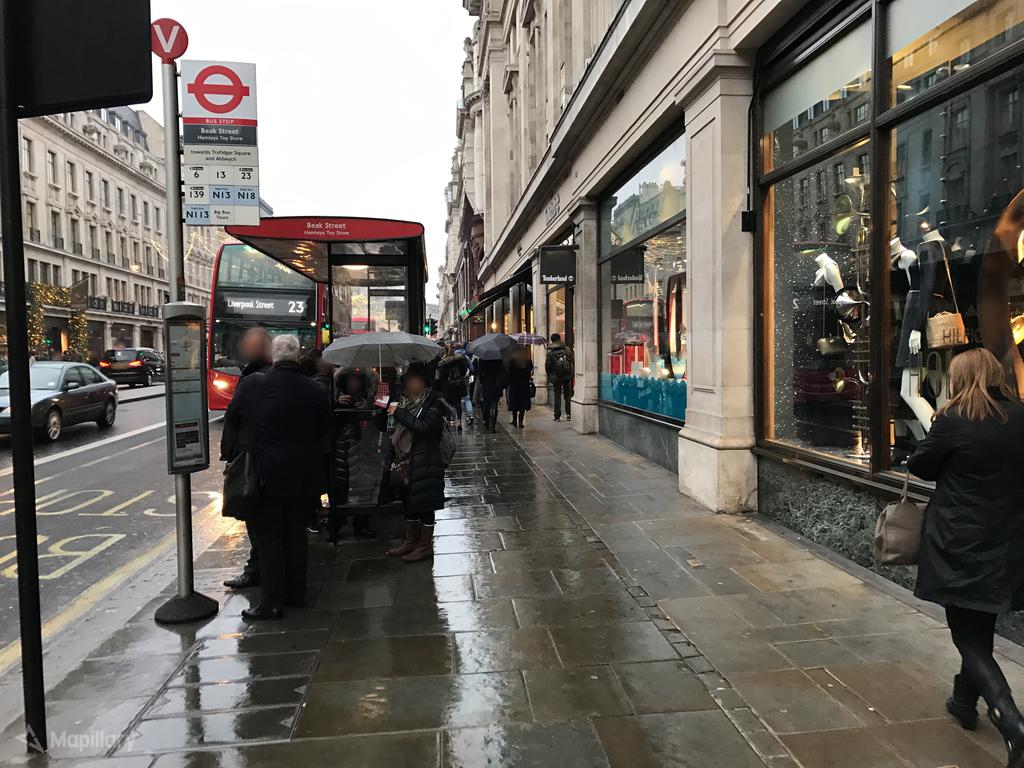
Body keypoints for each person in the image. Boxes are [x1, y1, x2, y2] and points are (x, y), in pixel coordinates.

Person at [908, 348, 1024, 766]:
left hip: (959, 539)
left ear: (959, 379)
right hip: (1007, 538)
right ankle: (963, 700)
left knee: (967, 635)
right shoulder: (1020, 416)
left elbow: (920, 465)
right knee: (980, 623)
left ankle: (1011, 721)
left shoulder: (955, 419)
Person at [225, 335, 332, 620]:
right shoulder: (316, 390)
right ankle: (296, 593)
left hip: (265, 475)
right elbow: (325, 432)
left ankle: (271, 602)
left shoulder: (254, 384)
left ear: (274, 357)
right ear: (297, 356)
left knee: (269, 539)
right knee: (296, 534)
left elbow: (232, 417)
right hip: (304, 475)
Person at [384, 362, 452, 562]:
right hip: (404, 458)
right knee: (408, 501)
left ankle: (424, 546)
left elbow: (424, 427)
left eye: (416, 380)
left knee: (425, 503)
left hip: (427, 459)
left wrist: (398, 412)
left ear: (424, 382)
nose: (412, 384)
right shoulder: (401, 400)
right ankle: (410, 542)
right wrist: (382, 406)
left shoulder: (434, 401)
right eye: (409, 381)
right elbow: (385, 425)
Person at [221, 327, 272, 591]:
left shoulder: (253, 379)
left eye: (253, 344)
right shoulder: (267, 375)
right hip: (263, 457)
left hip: (252, 459)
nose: (247, 348)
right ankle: (261, 568)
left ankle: (258, 572)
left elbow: (232, 415)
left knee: (256, 518)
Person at [334, 369, 377, 539]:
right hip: (343, 447)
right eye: (351, 380)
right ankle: (335, 525)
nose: (354, 384)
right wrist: (337, 403)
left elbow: (379, 419)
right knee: (340, 487)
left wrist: (368, 407)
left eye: (357, 380)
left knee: (364, 486)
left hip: (364, 446)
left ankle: (361, 524)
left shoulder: (369, 397)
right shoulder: (337, 395)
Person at [436, 344, 470, 431]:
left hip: (448, 387)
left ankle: (449, 422)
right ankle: (458, 423)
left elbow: (441, 377)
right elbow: (464, 371)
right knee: (458, 404)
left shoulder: (443, 363)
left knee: (448, 405)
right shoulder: (459, 360)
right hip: (458, 386)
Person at [546, 333, 574, 421]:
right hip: (567, 374)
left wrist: (549, 374)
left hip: (556, 375)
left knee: (557, 395)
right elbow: (572, 361)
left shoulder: (550, 351)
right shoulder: (567, 349)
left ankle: (557, 416)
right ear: (560, 338)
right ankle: (569, 414)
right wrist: (571, 372)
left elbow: (548, 365)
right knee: (567, 394)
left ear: (552, 340)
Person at [505, 346, 534, 428]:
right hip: (524, 384)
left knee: (514, 403)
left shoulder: (512, 358)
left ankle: (514, 420)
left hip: (514, 384)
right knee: (522, 404)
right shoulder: (527, 358)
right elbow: (531, 368)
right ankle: (520, 422)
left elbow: (509, 371)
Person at [476, 356, 506, 433]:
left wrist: (482, 380)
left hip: (487, 382)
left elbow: (480, 372)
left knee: (486, 402)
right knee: (494, 403)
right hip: (497, 383)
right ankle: (492, 425)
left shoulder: (483, 357)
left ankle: (486, 422)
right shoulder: (499, 357)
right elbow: (503, 370)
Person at [456, 343, 475, 426]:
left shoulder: (452, 357)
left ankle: (458, 420)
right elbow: (472, 368)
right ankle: (470, 415)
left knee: (457, 401)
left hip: (455, 381)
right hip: (465, 380)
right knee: (467, 398)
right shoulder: (466, 357)